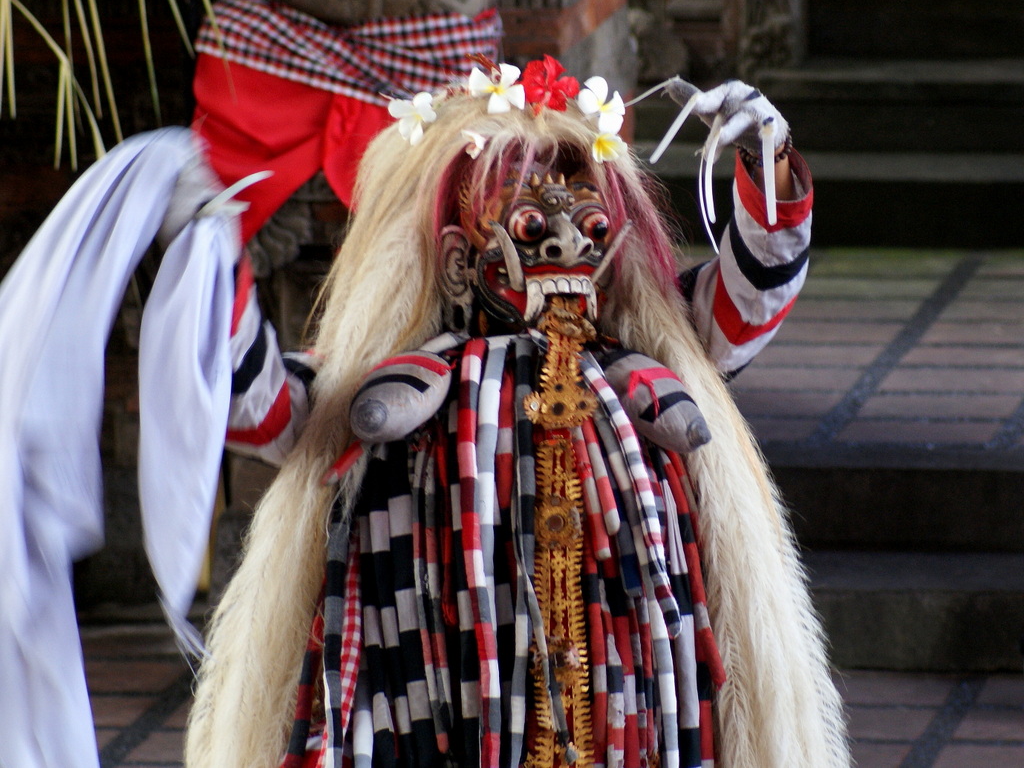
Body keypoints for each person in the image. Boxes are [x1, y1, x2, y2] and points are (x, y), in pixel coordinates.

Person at [184, 60, 849, 767]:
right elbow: (266, 409)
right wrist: (205, 264)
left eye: (588, 223)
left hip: (625, 679)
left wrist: (769, 158)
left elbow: (744, 307)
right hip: (436, 668)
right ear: (456, 260)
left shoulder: (651, 346)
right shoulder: (388, 380)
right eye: (532, 224)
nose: (566, 242)